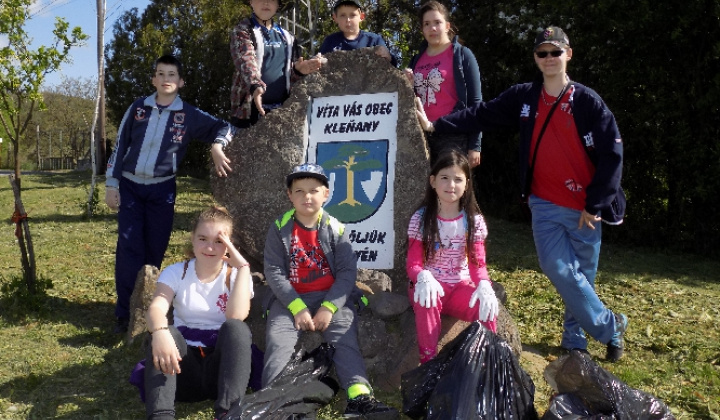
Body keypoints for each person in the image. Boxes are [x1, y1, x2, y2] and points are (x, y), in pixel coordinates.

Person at [416, 26, 629, 362]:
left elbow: (612, 155)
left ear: (568, 55)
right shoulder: (525, 97)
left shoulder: (588, 102)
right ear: (535, 58)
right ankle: (610, 328)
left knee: (579, 280)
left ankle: (575, 343)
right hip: (544, 202)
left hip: (586, 208)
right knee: (558, 268)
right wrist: (436, 125)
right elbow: (482, 113)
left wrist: (596, 203)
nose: (548, 59)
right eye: (542, 53)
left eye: (555, 52)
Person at [105, 54, 236, 334]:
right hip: (129, 186)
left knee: (155, 249)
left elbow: (223, 127)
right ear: (154, 79)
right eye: (161, 74)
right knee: (129, 249)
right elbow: (119, 145)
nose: (166, 79)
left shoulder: (187, 114)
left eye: (172, 75)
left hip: (162, 190)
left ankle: (147, 306)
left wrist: (216, 146)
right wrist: (111, 184)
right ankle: (124, 314)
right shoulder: (138, 108)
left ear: (180, 82)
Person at [262, 163, 399, 419]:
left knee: (345, 337)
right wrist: (296, 307)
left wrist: (329, 307)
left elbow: (348, 272)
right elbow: (274, 272)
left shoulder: (336, 228)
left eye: (313, 190)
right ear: (289, 195)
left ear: (326, 194)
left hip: (330, 299)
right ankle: (277, 402)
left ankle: (359, 397)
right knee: (278, 341)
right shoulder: (279, 227)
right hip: (290, 300)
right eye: (299, 191)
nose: (307, 197)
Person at [144, 205, 253, 420]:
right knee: (168, 332)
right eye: (203, 239)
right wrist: (159, 331)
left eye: (219, 241)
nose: (210, 248)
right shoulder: (177, 271)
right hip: (182, 367)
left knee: (237, 329)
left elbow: (236, 316)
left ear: (230, 246)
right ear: (192, 239)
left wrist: (244, 268)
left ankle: (228, 412)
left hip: (221, 372)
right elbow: (157, 307)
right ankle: (161, 415)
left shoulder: (237, 275)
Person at [406, 150, 498, 364]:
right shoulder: (421, 219)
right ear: (433, 181)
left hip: (459, 287)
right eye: (444, 178)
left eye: (458, 179)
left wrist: (484, 285)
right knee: (426, 301)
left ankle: (487, 361)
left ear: (467, 184)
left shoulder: (473, 221)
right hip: (428, 286)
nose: (451, 185)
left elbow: (478, 264)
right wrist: (422, 276)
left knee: (486, 308)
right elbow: (413, 262)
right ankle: (428, 362)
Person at [404, 1, 482, 167]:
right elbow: (411, 99)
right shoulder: (416, 60)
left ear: (447, 26)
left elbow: (476, 102)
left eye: (437, 23)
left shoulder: (462, 55)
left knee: (451, 189)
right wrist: (407, 84)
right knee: (424, 191)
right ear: (422, 30)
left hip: (453, 134)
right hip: (421, 135)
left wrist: (475, 145)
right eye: (427, 24)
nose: (432, 28)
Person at [230, 0, 324, 128]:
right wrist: (256, 85)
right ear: (251, 2)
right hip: (247, 113)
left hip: (283, 112)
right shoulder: (243, 30)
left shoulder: (289, 37)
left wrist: (299, 70)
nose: (266, 2)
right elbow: (245, 61)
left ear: (278, 5)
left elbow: (293, 76)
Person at [319, 0, 397, 67]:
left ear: (361, 17)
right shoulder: (330, 41)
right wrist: (315, 62)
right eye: (343, 15)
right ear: (335, 18)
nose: (348, 20)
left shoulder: (374, 40)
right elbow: (318, 64)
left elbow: (392, 66)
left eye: (352, 15)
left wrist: (388, 56)